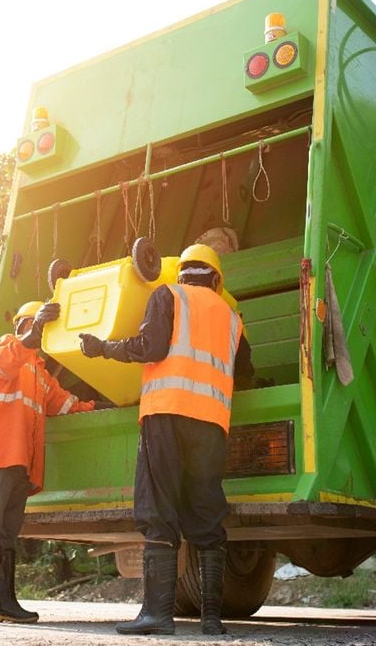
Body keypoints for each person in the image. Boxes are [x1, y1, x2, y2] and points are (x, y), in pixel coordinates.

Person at [78, 244, 254, 636]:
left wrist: (103, 348)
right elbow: (245, 374)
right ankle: (212, 618)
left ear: (182, 273)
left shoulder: (168, 295)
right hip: (210, 423)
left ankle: (158, 614)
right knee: (207, 513)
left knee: (158, 509)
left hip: (166, 414)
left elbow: (150, 348)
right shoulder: (232, 318)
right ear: (215, 278)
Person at [0, 300, 111, 625]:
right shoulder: (7, 348)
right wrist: (33, 332)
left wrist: (104, 405)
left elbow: (68, 404)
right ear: (26, 325)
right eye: (36, 326)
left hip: (20, 464)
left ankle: (3, 603)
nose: (39, 335)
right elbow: (7, 361)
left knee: (6, 532)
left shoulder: (41, 375)